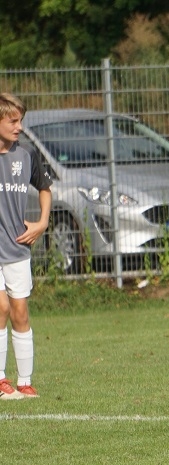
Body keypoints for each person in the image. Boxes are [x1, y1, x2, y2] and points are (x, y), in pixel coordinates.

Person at [0, 93, 52, 401]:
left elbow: (45, 189)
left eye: (21, 120)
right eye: (13, 121)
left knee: (19, 311)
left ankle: (25, 382)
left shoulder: (27, 153)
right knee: (1, 307)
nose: (19, 127)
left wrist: (42, 222)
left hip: (17, 246)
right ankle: (0, 381)